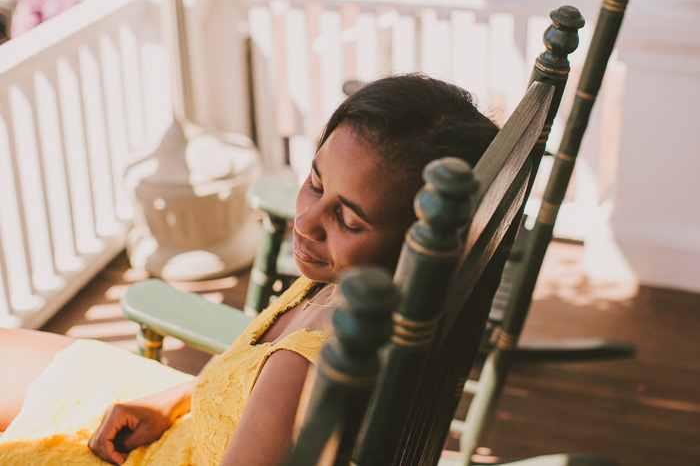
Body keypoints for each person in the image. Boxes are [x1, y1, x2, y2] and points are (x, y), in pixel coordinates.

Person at [0, 73, 499, 465]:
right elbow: (244, 378)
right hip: (184, 420)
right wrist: (169, 400)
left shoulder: (304, 368)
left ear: (411, 241)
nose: (305, 221)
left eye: (346, 218)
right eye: (315, 181)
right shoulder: (341, 283)